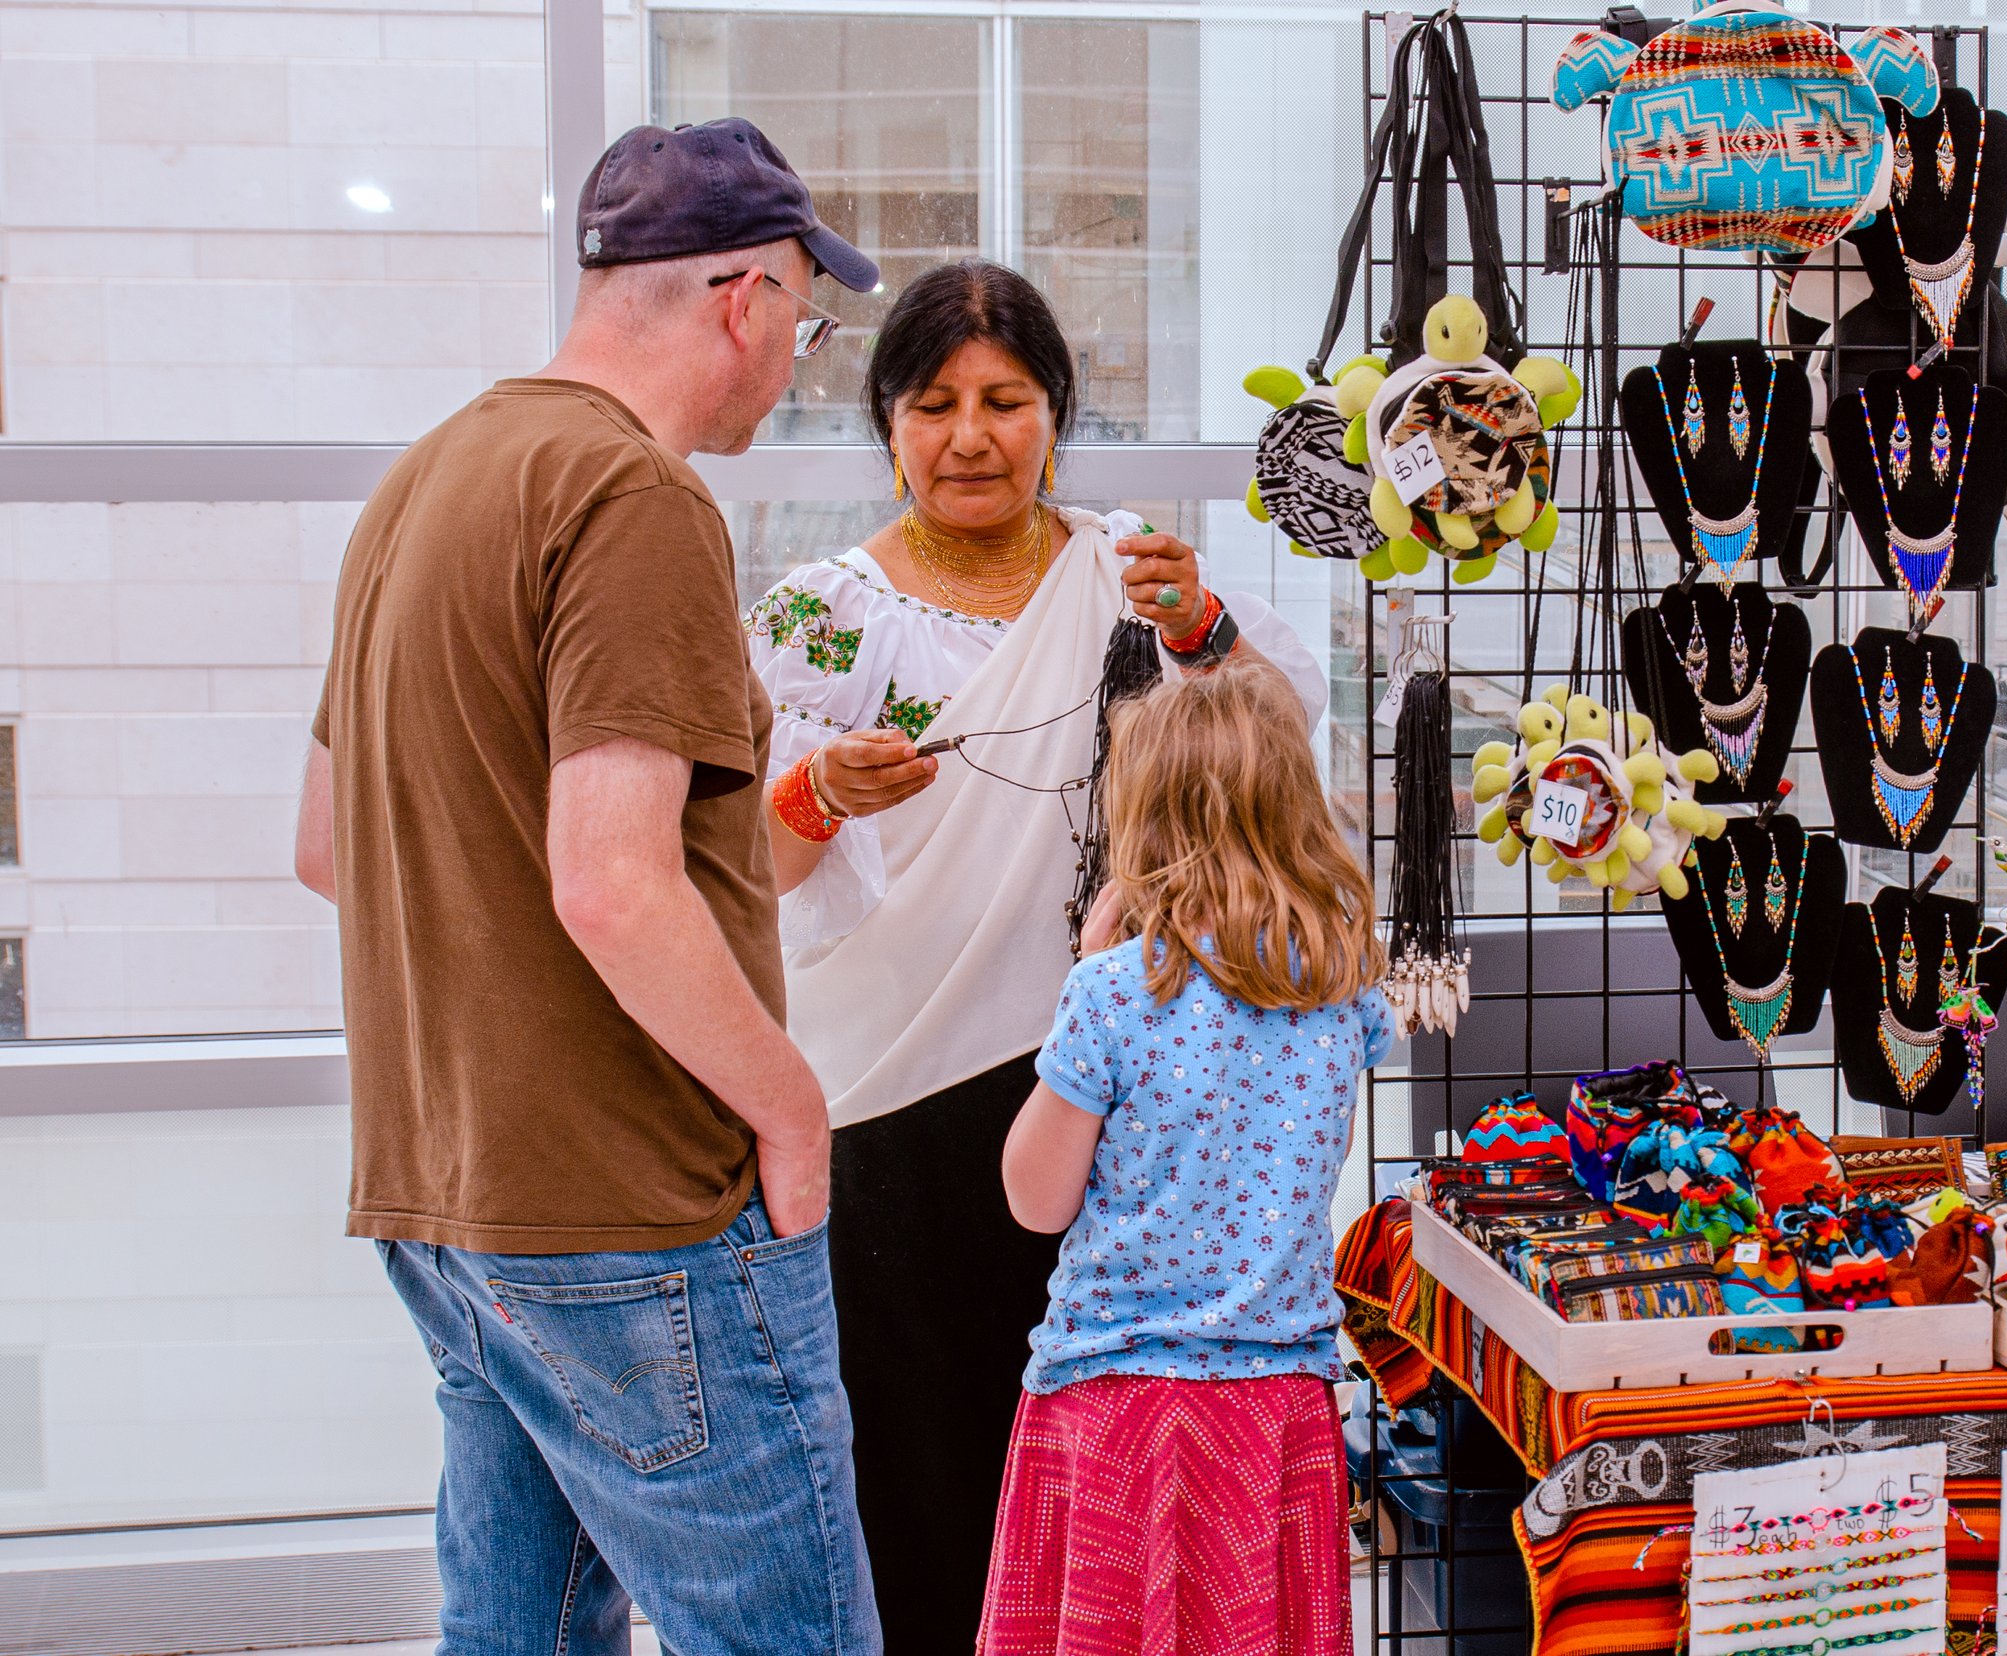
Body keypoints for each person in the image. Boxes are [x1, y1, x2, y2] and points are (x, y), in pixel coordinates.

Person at [294, 118, 882, 1654]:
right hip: (638, 1217)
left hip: (450, 1202)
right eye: (809, 327)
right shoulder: (634, 499)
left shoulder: (425, 482)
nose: (798, 365)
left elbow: (326, 847)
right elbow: (615, 886)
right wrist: (792, 1107)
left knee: (523, 1636)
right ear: (745, 297)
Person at [746, 258, 1327, 1643]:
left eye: (1006, 401)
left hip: (1105, 1089)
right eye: (933, 402)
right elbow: (740, 864)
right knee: (912, 1435)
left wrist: (1200, 624)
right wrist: (818, 793)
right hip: (883, 1089)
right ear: (885, 423)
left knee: (1084, 1439)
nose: (970, 436)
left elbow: (1285, 734)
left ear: (1054, 414)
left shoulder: (1125, 570)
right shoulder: (827, 613)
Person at [981, 663, 1387, 1654]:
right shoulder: (1344, 994)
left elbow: (1036, 1202)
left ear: (1145, 818)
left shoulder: (1114, 992)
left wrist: (1083, 978)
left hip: (1118, 1402)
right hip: (1277, 1409)